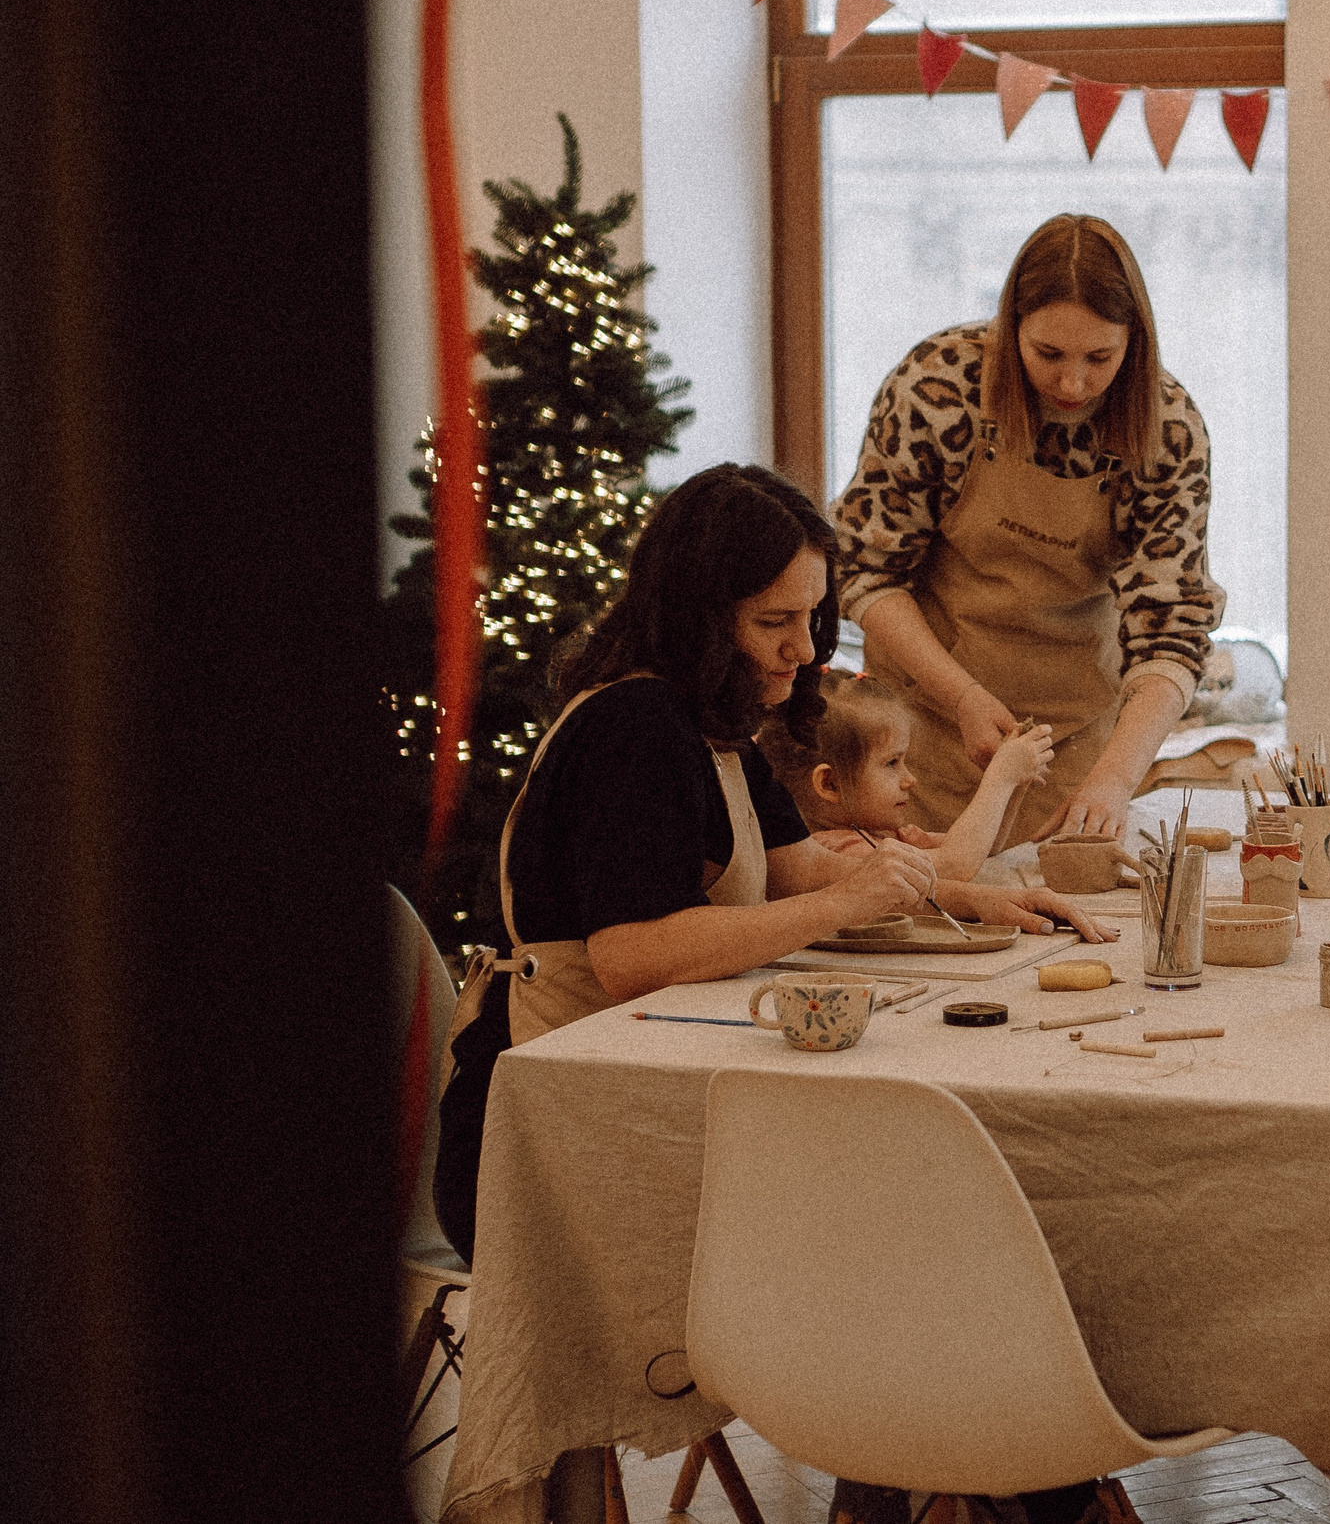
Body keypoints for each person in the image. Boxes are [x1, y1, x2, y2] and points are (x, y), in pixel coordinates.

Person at [434, 465, 1109, 1263]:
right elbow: (629, 955)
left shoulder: (709, 721)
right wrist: (845, 906)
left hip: (622, 1081)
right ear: (700, 617)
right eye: (774, 621)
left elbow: (801, 870)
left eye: (815, 614)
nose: (803, 645)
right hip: (535, 1129)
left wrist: (970, 901)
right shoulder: (634, 727)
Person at [835, 213, 1225, 850]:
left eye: (1100, 357)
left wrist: (1115, 778)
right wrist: (960, 696)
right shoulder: (939, 388)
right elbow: (866, 572)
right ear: (1010, 327)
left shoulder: (1165, 429)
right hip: (923, 732)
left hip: (1070, 741)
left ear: (1136, 343)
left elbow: (1173, 630)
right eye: (1048, 354)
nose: (1072, 383)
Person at [757, 668, 1058, 881]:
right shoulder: (834, 850)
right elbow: (956, 865)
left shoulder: (882, 834)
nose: (909, 779)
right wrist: (1001, 777)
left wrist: (1017, 781)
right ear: (829, 783)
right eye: (892, 763)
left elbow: (983, 850)